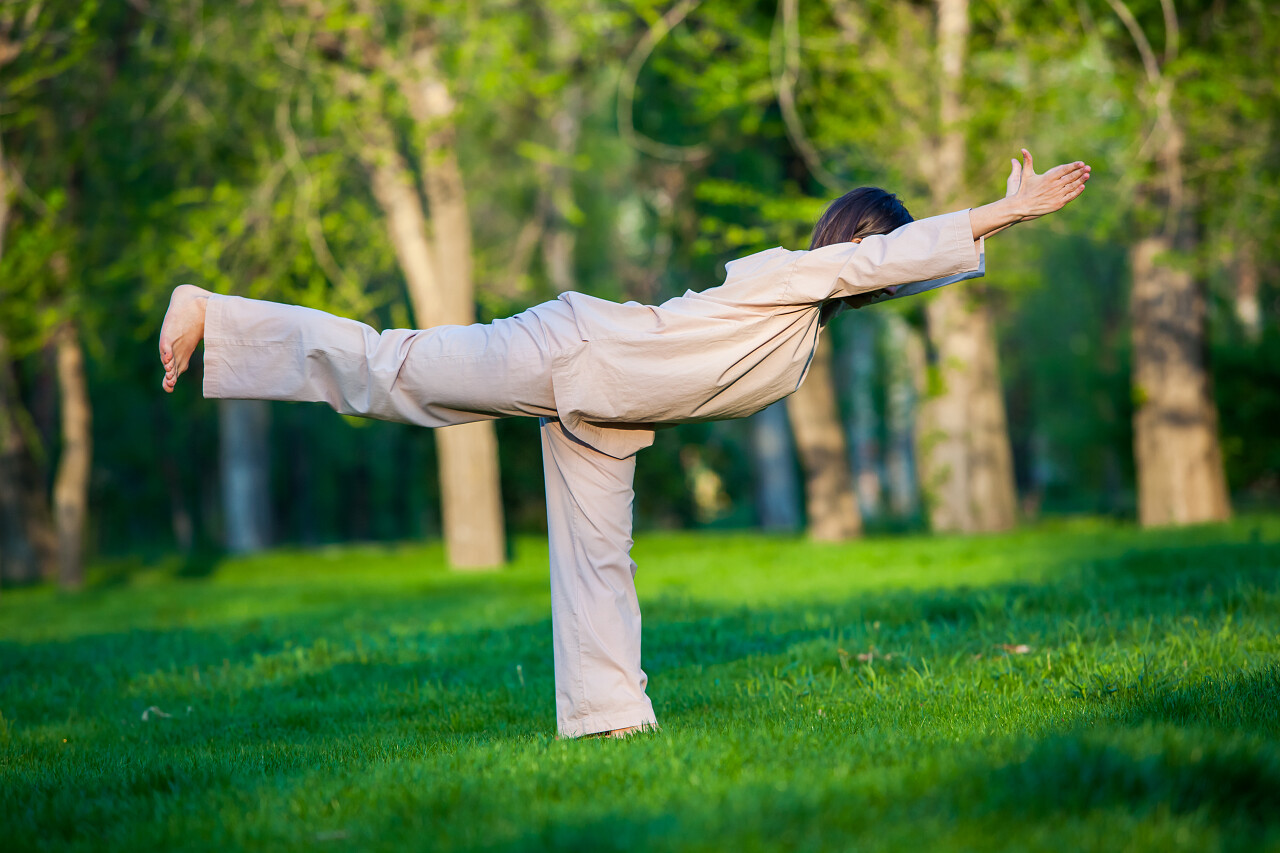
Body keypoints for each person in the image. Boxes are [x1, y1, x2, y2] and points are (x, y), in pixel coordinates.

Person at [160, 149, 1090, 739]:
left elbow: (886, 274)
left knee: (602, 561)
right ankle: (218, 313)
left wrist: (965, 246)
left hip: (605, 413)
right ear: (861, 243)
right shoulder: (797, 278)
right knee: (390, 374)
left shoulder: (805, 332)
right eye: (887, 255)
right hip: (571, 347)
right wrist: (998, 215)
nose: (887, 279)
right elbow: (874, 263)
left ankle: (608, 718)